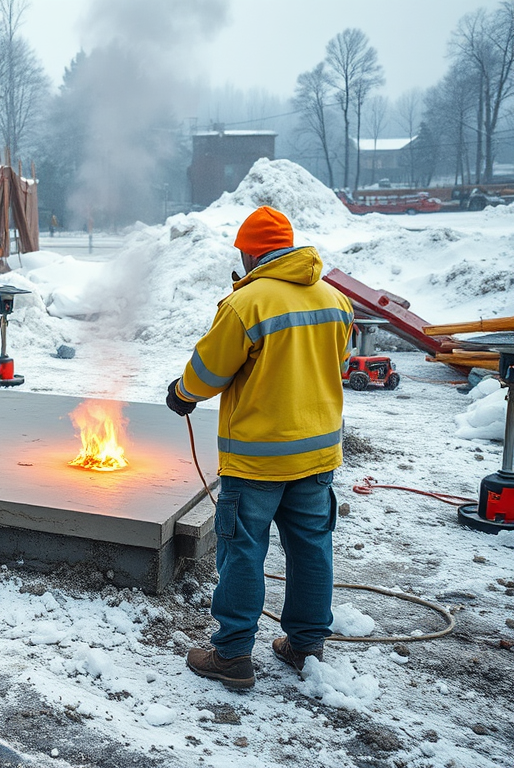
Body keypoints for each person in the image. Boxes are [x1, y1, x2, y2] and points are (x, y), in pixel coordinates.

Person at [165, 206, 353, 690]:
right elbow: (335, 362)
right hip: (317, 456)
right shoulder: (334, 298)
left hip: (258, 459)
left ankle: (230, 656)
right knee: (312, 548)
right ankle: (306, 644)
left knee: (243, 552)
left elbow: (208, 371)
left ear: (251, 251)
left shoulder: (248, 304)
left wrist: (182, 394)